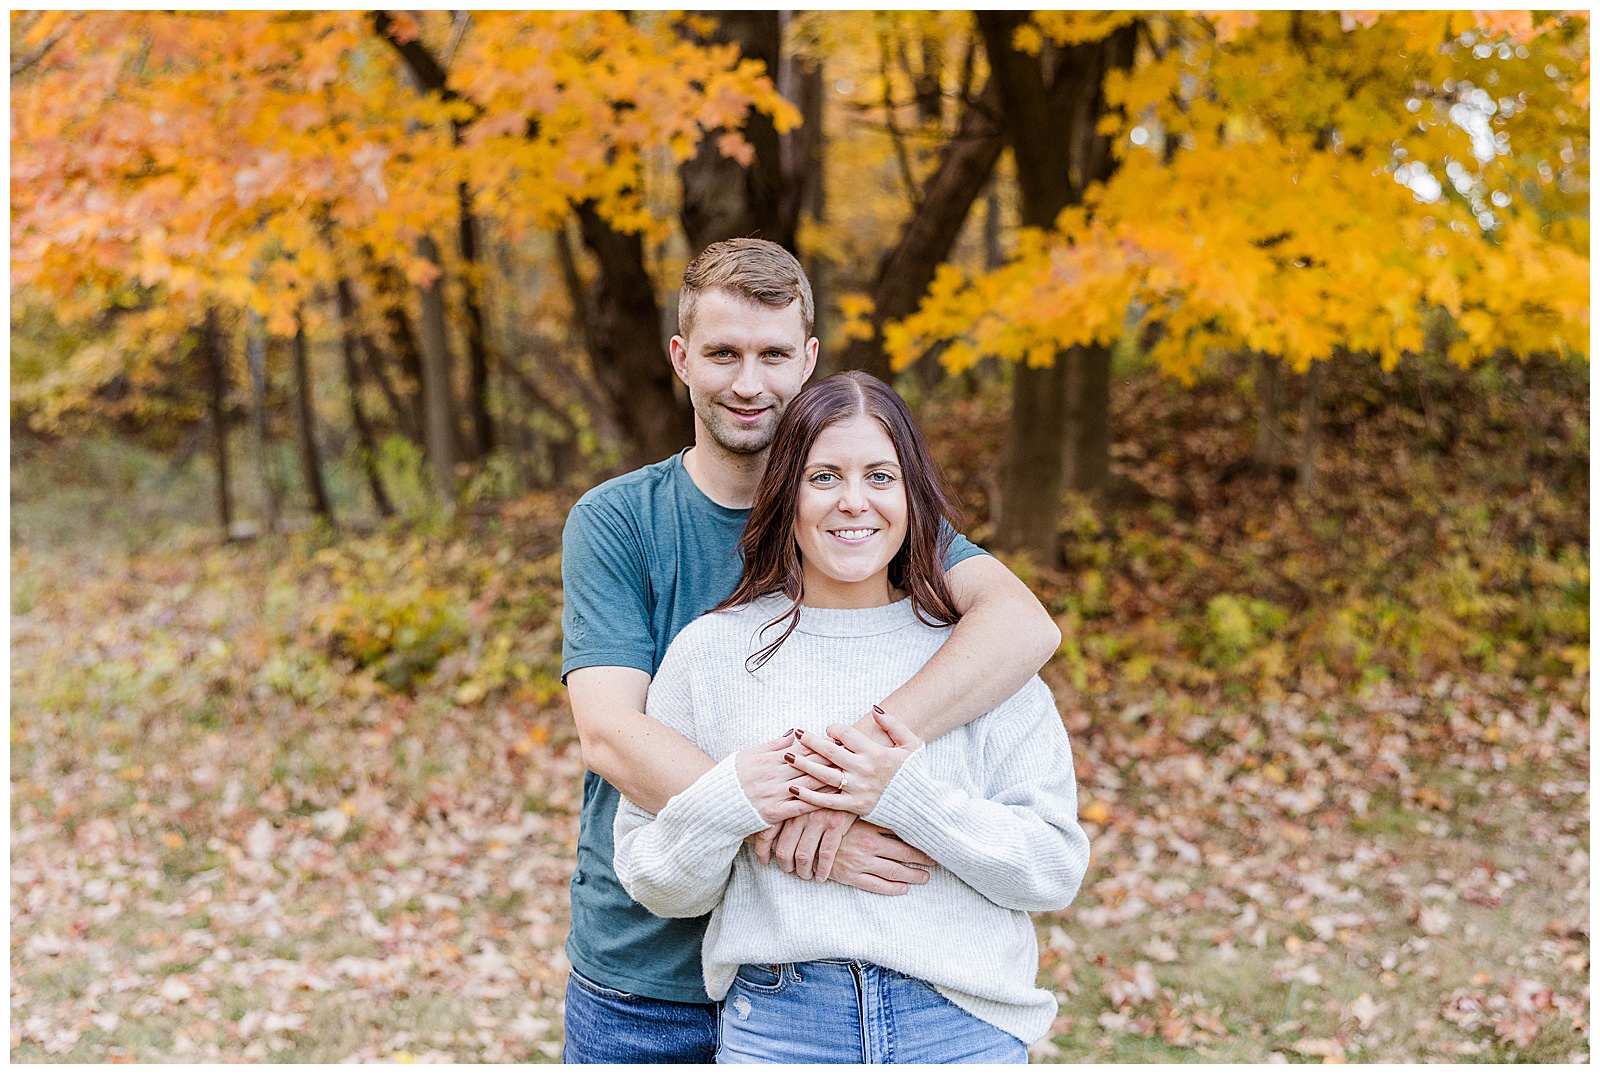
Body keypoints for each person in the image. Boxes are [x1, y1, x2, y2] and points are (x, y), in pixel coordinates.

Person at [560, 239, 1061, 1063]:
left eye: (774, 354)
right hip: (649, 970)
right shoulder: (621, 521)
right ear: (681, 359)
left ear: (811, 359)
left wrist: (856, 768)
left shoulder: (864, 516)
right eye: (723, 354)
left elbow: (1023, 627)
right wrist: (785, 827)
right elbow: (611, 732)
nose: (749, 383)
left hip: (837, 984)